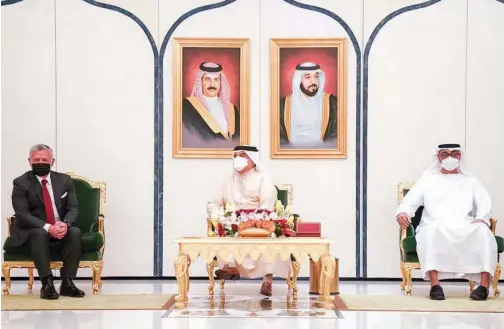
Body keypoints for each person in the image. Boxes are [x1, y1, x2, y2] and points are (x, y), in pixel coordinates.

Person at [396, 143, 498, 301]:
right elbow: (410, 201)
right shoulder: (428, 180)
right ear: (438, 157)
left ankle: (483, 287)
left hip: (465, 224)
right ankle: (435, 286)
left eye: (454, 154)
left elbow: (485, 202)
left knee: (483, 231)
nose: (450, 157)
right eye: (445, 154)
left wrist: (481, 218)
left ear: (460, 156)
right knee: (430, 232)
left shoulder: (471, 181)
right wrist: (403, 212)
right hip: (435, 223)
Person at [206, 145, 290, 296]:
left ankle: (267, 281)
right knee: (226, 231)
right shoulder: (227, 180)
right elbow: (213, 202)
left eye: (242, 155)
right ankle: (229, 267)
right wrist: (218, 216)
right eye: (235, 155)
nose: (237, 158)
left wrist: (255, 221)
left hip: (258, 223)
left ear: (252, 159)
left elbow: (267, 205)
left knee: (270, 238)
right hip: (232, 222)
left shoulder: (263, 178)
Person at [10, 144, 85, 300]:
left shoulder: (64, 180)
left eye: (45, 159)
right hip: (33, 228)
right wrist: (47, 227)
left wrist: (65, 223)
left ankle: (67, 282)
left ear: (52, 162)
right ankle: (47, 284)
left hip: (59, 225)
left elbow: (73, 208)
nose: (40, 162)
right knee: (40, 233)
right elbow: (22, 213)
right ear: (29, 161)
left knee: (75, 232)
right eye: (36, 160)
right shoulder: (20, 183)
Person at [279, 62, 337, 148]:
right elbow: (278, 137)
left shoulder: (332, 103)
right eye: (307, 77)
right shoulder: (283, 105)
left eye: (316, 76)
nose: (314, 81)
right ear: (298, 80)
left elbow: (336, 135)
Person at [182, 62, 240, 144]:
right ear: (200, 82)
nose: (212, 84)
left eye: (216, 79)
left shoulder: (232, 109)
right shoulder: (187, 107)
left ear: (221, 83)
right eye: (207, 79)